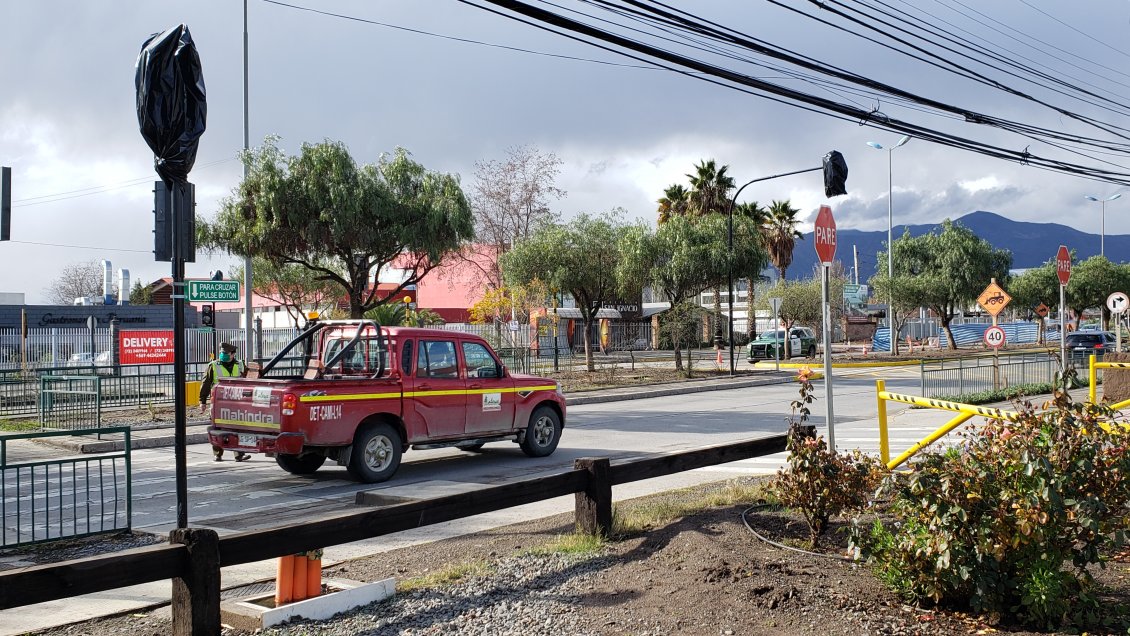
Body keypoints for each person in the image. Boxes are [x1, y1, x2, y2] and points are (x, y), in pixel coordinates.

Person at [200, 342, 250, 462]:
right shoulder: (213, 365)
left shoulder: (241, 365)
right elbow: (205, 384)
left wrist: (257, 371)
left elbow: (250, 379)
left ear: (233, 354)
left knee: (237, 428)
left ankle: (239, 454)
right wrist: (202, 401)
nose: (223, 355)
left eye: (225, 353)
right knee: (217, 427)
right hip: (218, 402)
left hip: (237, 401)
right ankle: (218, 454)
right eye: (221, 353)